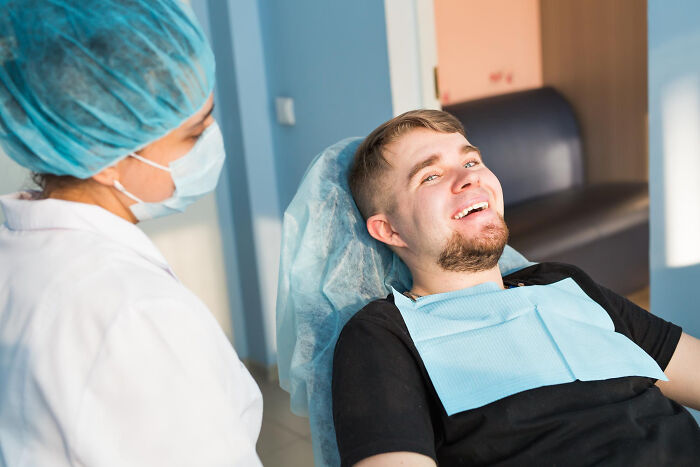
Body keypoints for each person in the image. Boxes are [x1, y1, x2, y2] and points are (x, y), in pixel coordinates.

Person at [332, 109, 700, 466]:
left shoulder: (564, 282)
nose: (468, 178)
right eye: (430, 176)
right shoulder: (383, 335)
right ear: (389, 230)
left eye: (472, 162)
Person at [0, 1, 262, 465]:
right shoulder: (134, 312)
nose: (211, 141)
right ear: (106, 158)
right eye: (193, 133)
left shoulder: (18, 247)